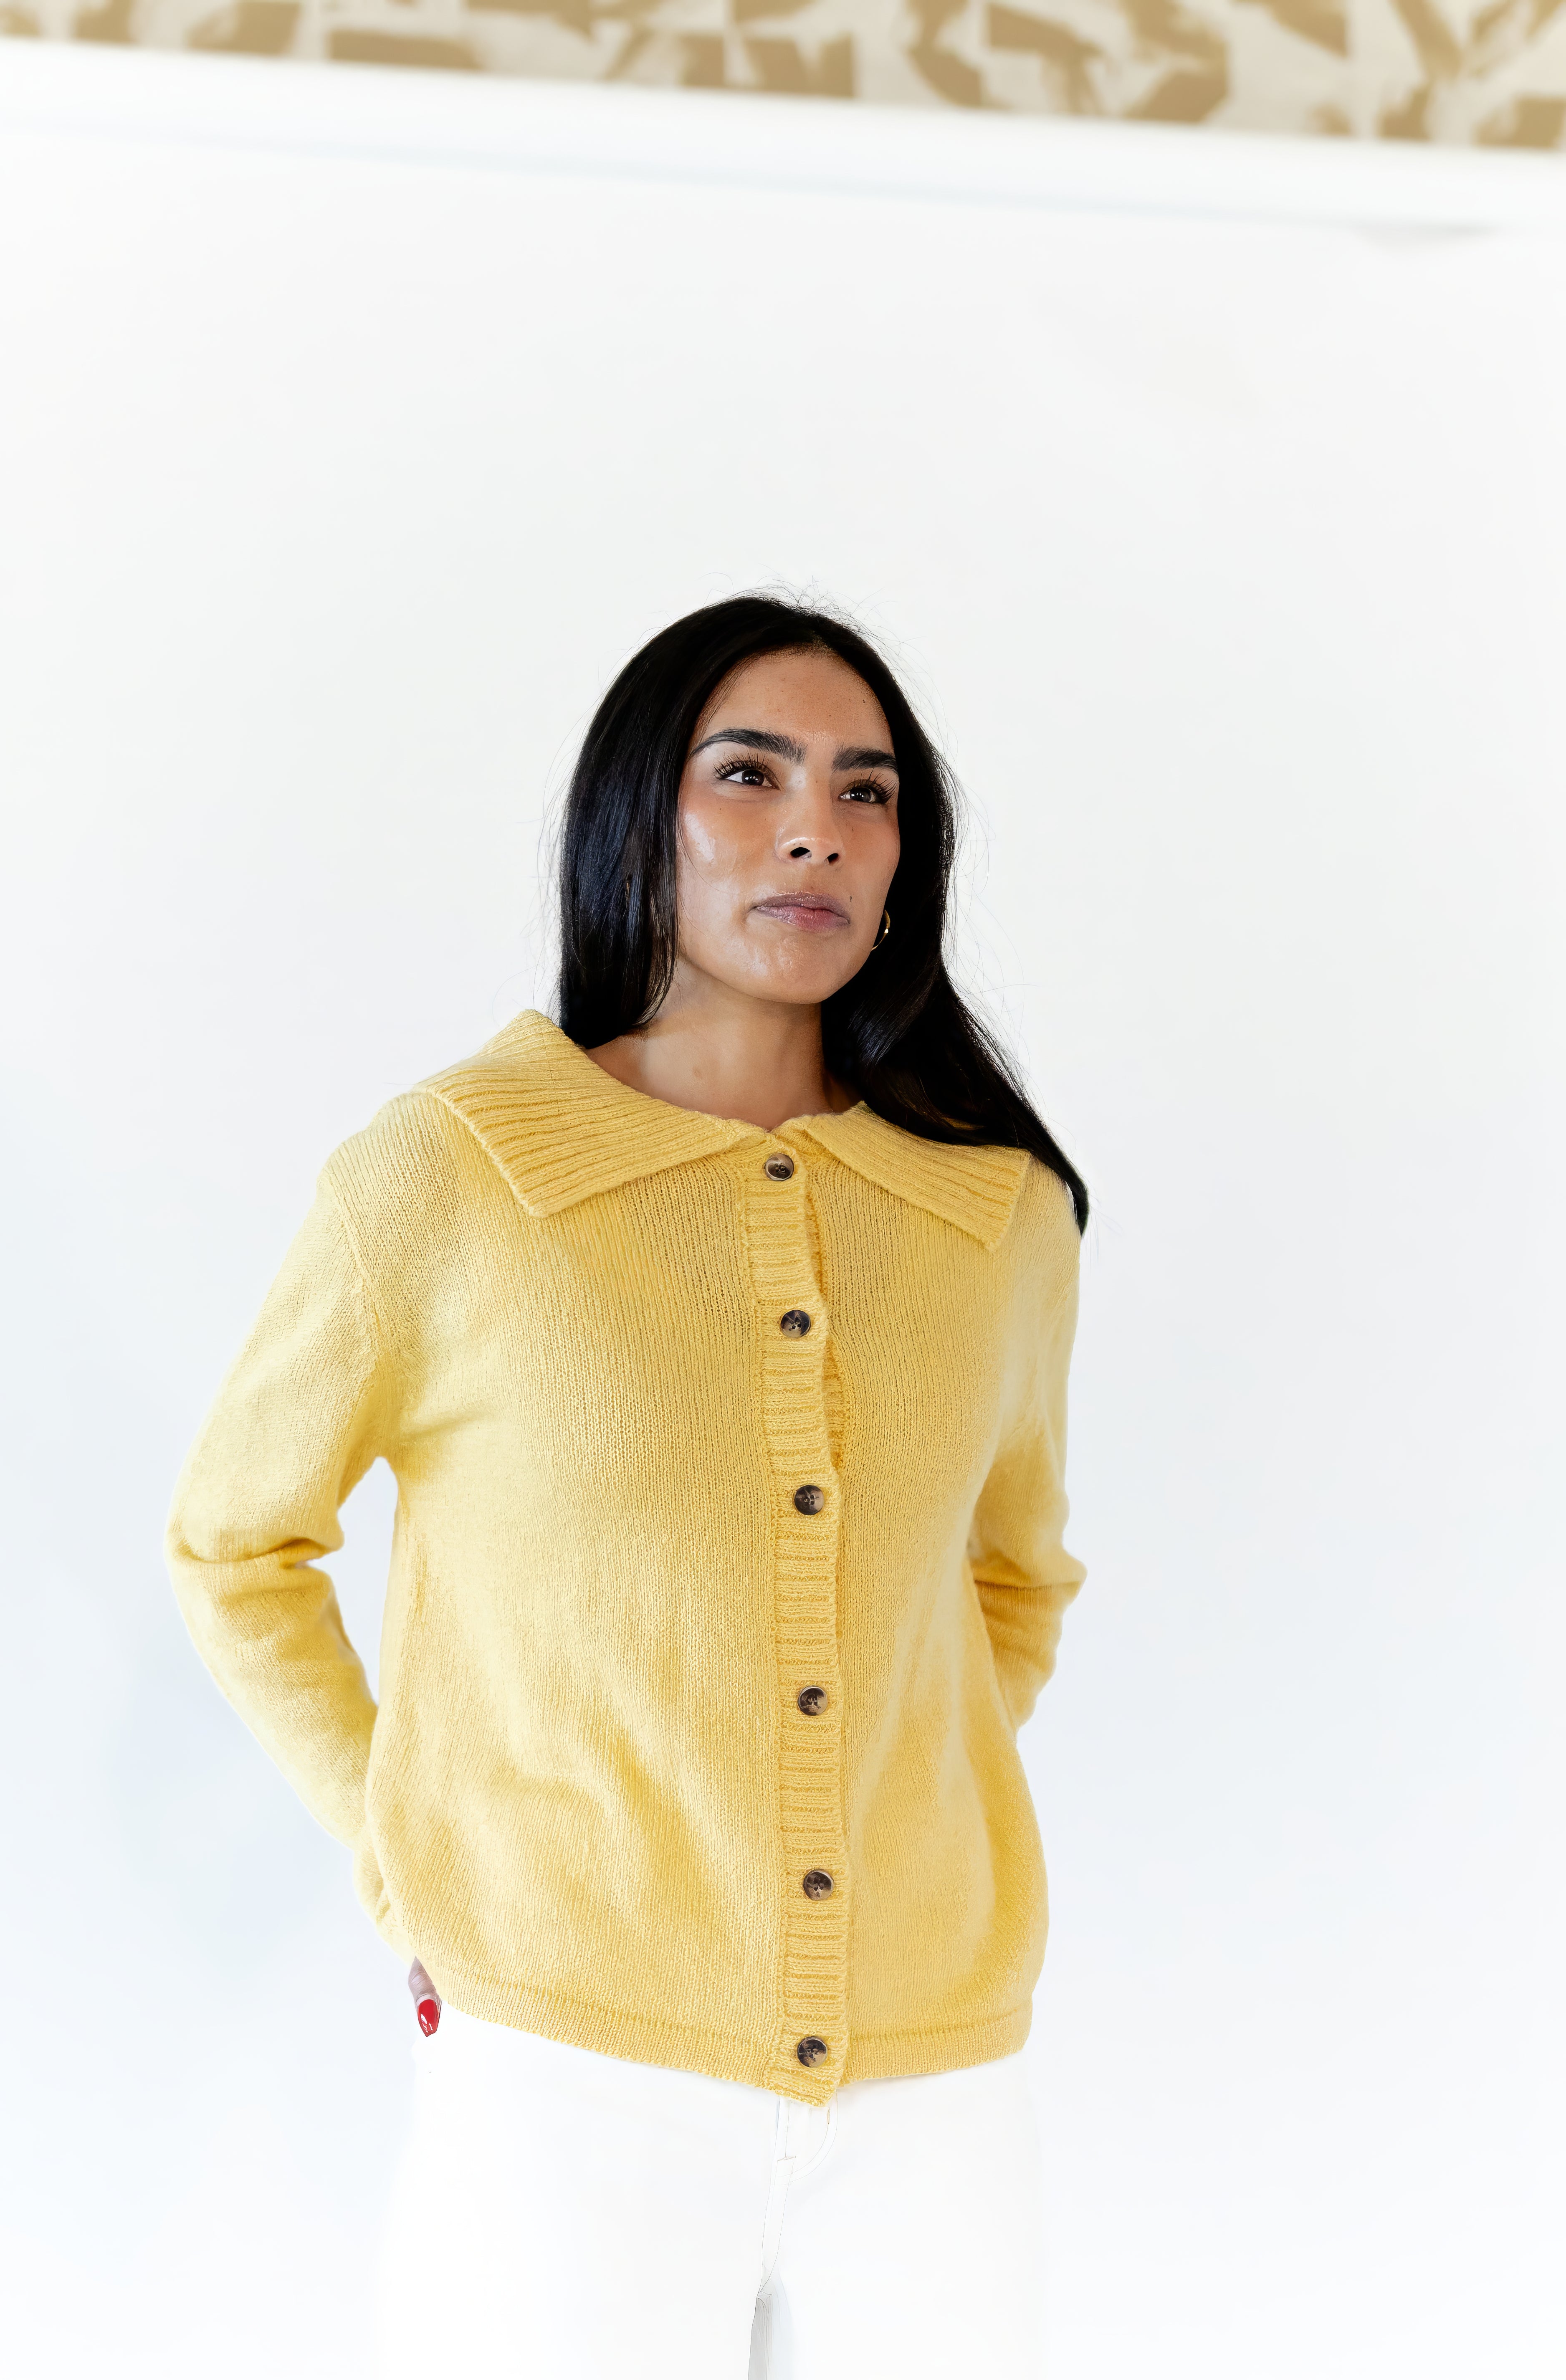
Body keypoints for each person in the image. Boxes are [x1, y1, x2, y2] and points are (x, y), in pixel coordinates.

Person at [166, 594, 1088, 2378]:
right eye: (748, 774)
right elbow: (235, 1546)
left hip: (940, 2093)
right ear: (632, 815)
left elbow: (1011, 1580)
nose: (815, 829)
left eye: (867, 790)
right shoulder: (453, 1174)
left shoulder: (998, 1215)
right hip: (564, 2079)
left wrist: (890, 1810)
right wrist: (406, 1848)